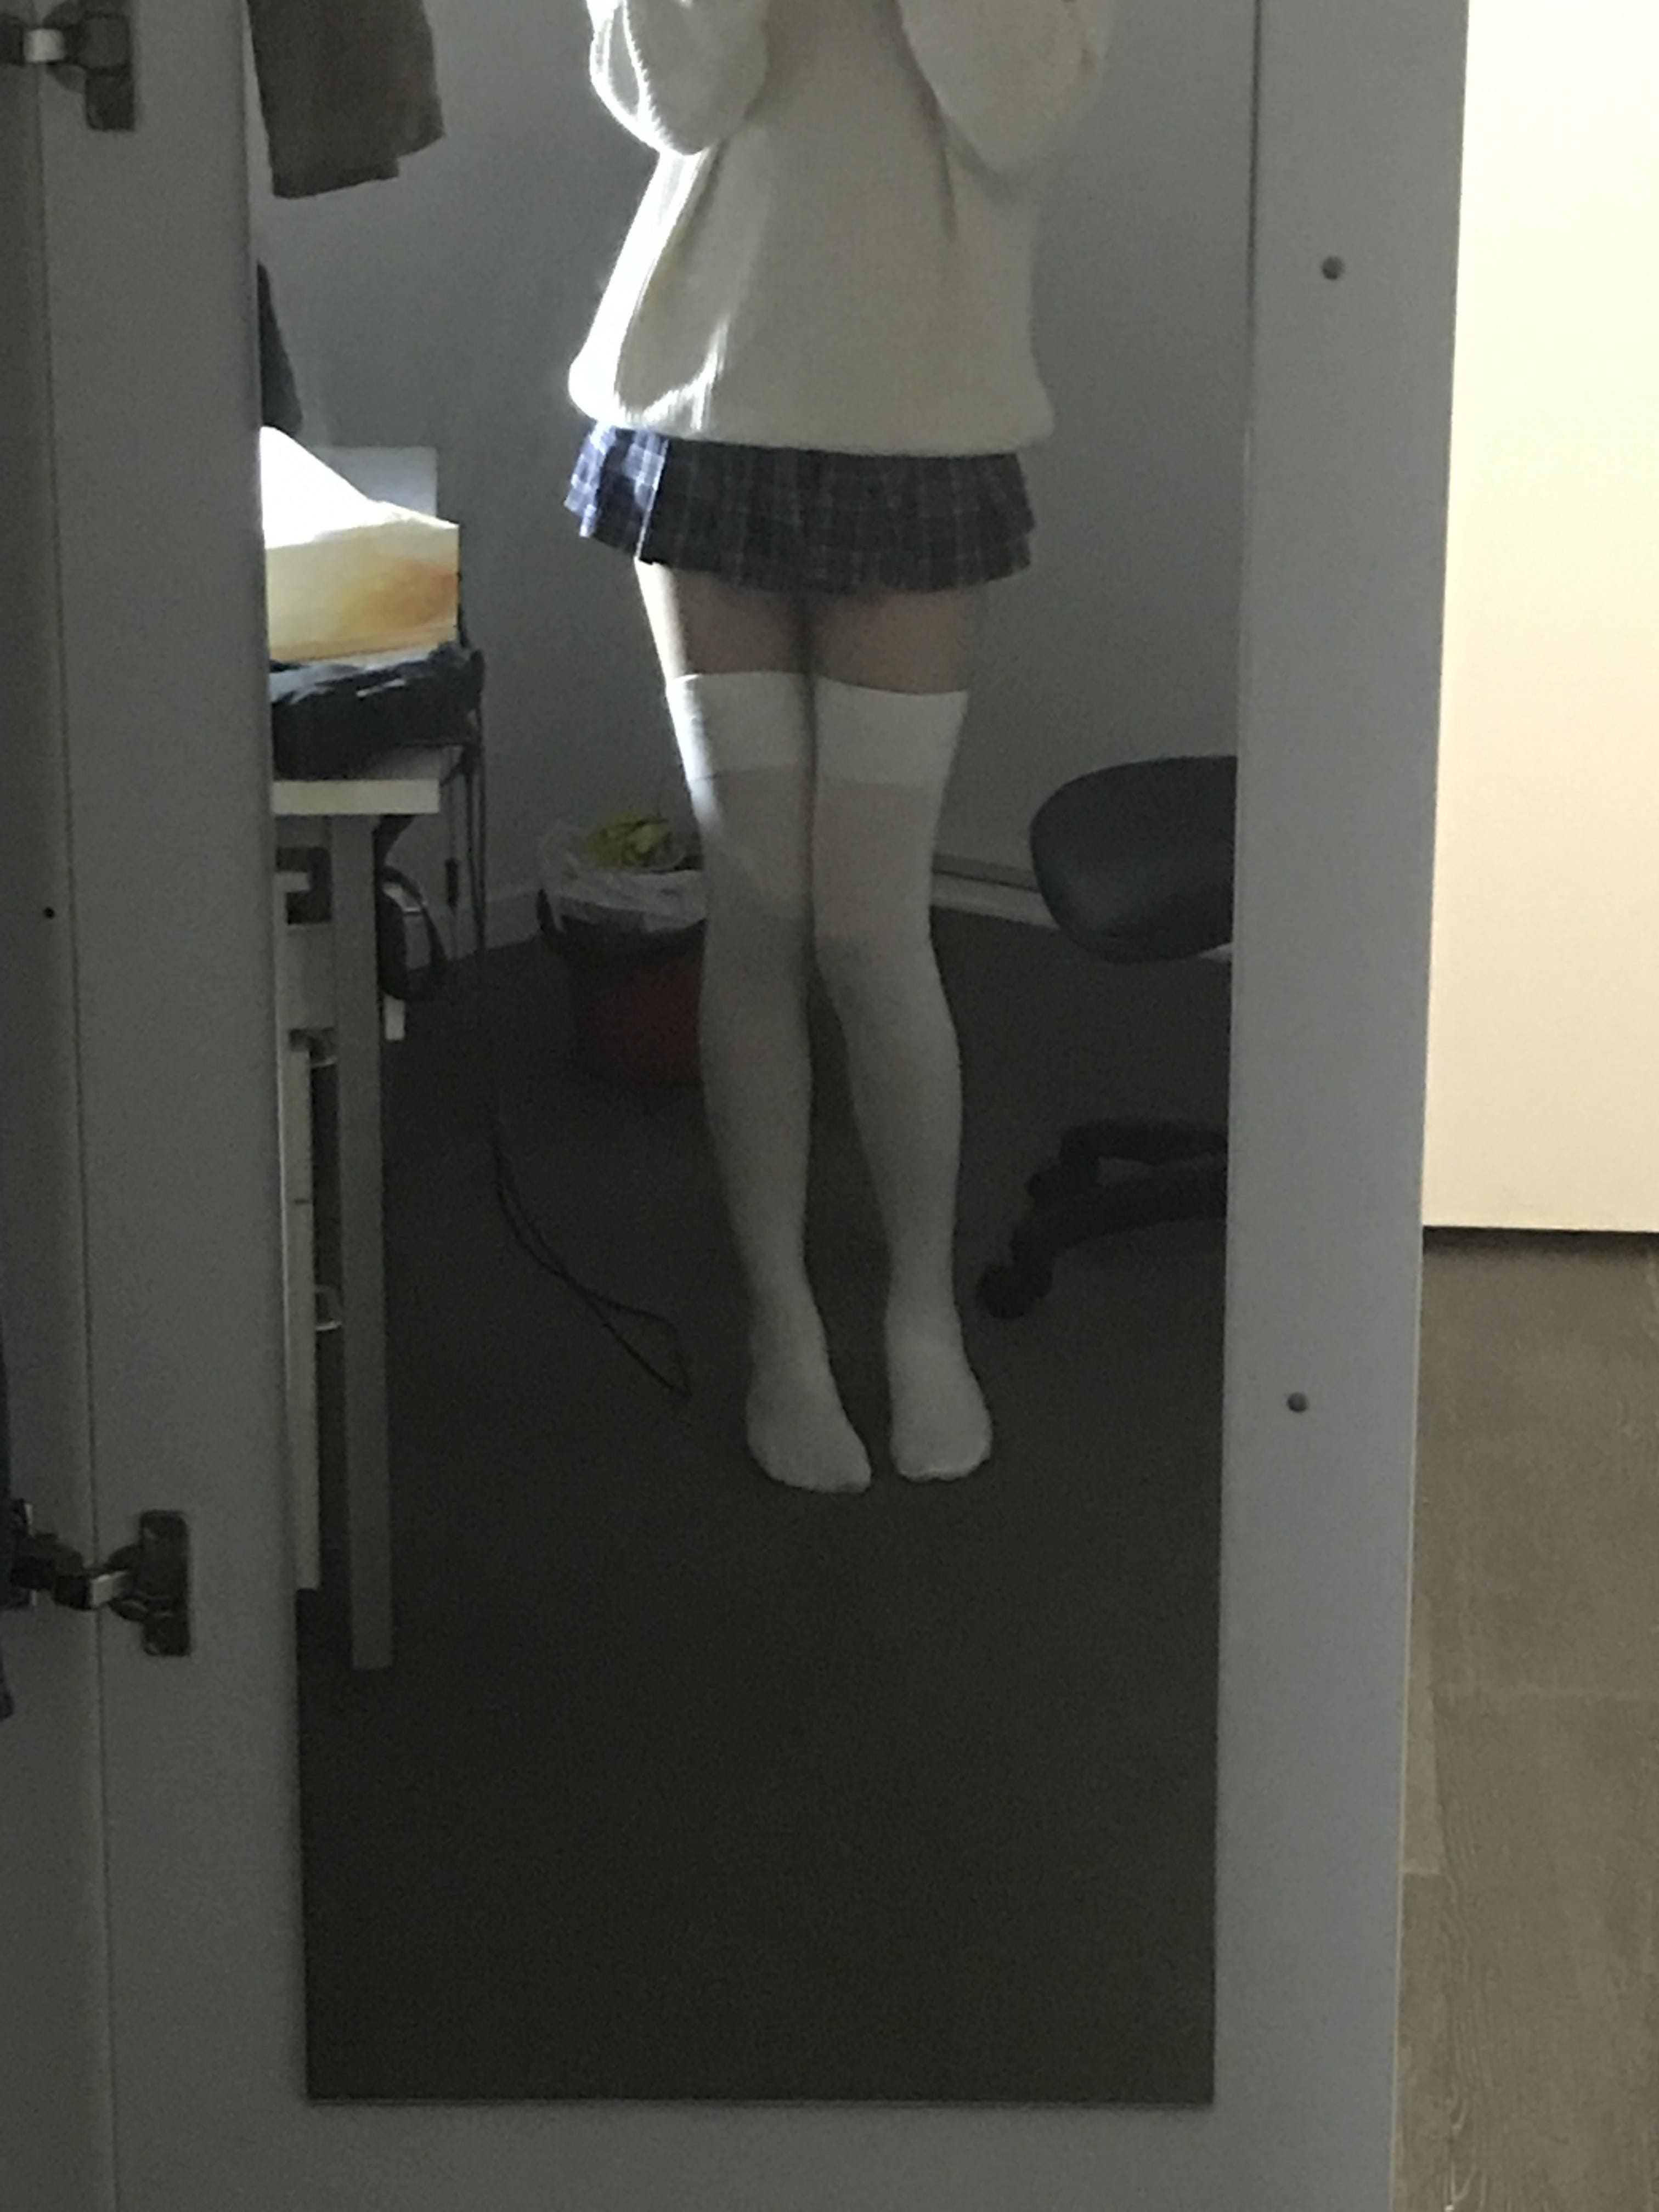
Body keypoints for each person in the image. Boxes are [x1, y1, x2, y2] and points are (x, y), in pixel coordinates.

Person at [566, 0, 1116, 1493]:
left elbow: (1021, 117)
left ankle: (920, 1312)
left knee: (871, 925)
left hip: (923, 436)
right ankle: (783, 1323)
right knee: (761, 904)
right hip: (702, 419)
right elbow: (672, 101)